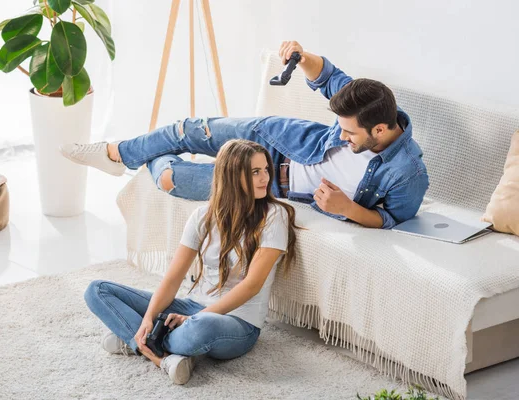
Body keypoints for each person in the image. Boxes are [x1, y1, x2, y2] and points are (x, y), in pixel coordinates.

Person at [61, 41, 429, 229]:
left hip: (268, 183)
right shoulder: (363, 101)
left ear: (380, 130)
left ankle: (144, 156)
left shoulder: (408, 173)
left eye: (349, 133)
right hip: (274, 138)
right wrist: (301, 54)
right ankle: (118, 155)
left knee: (173, 178)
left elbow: (391, 219)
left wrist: (348, 209)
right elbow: (327, 74)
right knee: (187, 131)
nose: (343, 136)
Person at [84, 139, 299, 384]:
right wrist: (148, 317)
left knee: (200, 327)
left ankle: (136, 340)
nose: (265, 178)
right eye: (255, 172)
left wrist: (192, 319)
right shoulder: (202, 216)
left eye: (265, 170)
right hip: (190, 306)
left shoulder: (274, 216)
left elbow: (252, 285)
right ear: (231, 176)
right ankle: (163, 355)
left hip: (237, 322)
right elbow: (174, 277)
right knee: (97, 290)